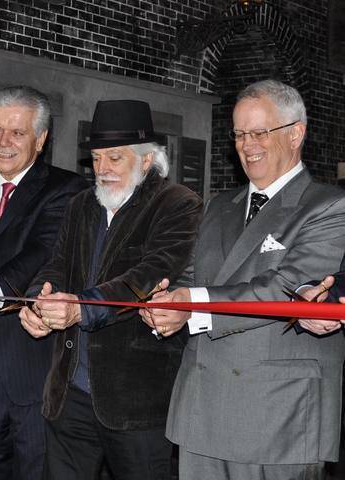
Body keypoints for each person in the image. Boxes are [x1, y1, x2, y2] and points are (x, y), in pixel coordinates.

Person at [141, 79, 345, 480]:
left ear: (295, 133)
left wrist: (191, 306)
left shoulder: (329, 205)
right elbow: (190, 276)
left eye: (258, 132)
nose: (246, 144)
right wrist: (164, 304)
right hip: (201, 411)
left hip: (277, 416)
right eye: (238, 134)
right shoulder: (220, 205)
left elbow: (285, 286)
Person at [19, 99, 203, 480]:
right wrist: (41, 302)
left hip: (135, 401)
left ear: (147, 160)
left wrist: (80, 309)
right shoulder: (81, 203)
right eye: (97, 158)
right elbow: (56, 265)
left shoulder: (177, 204)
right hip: (70, 394)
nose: (102, 169)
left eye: (114, 159)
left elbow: (149, 275)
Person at [0, 85, 87, 480]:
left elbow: (41, 251)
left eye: (16, 132)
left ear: (41, 139)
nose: (3, 142)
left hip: (27, 369)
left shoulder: (66, 190)